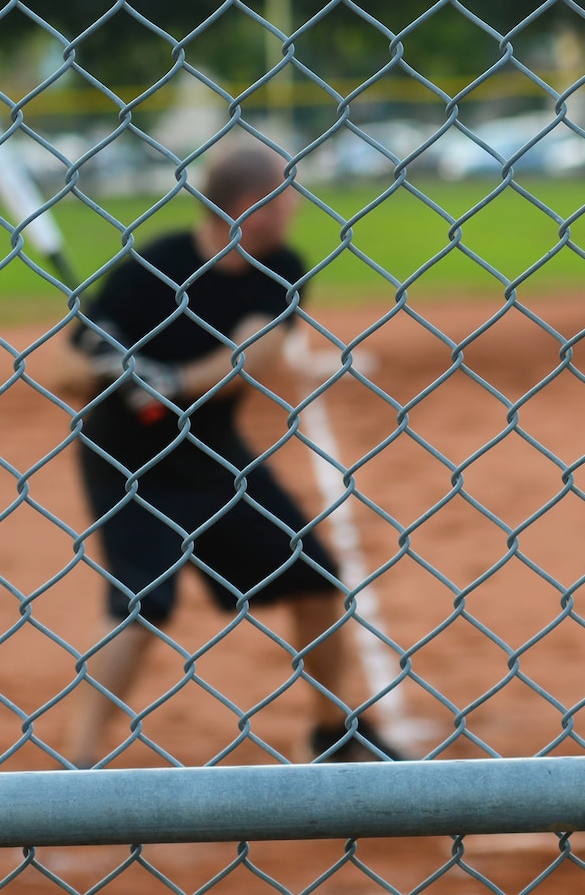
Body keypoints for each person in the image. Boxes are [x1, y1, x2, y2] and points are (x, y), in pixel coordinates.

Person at [44, 138, 402, 766]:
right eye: (284, 195)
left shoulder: (280, 267)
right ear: (248, 206)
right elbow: (63, 367)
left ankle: (329, 732)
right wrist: (109, 369)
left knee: (316, 577)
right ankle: (76, 766)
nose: (293, 207)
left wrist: (171, 382)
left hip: (212, 455)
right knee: (141, 604)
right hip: (128, 462)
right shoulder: (152, 268)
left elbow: (247, 357)